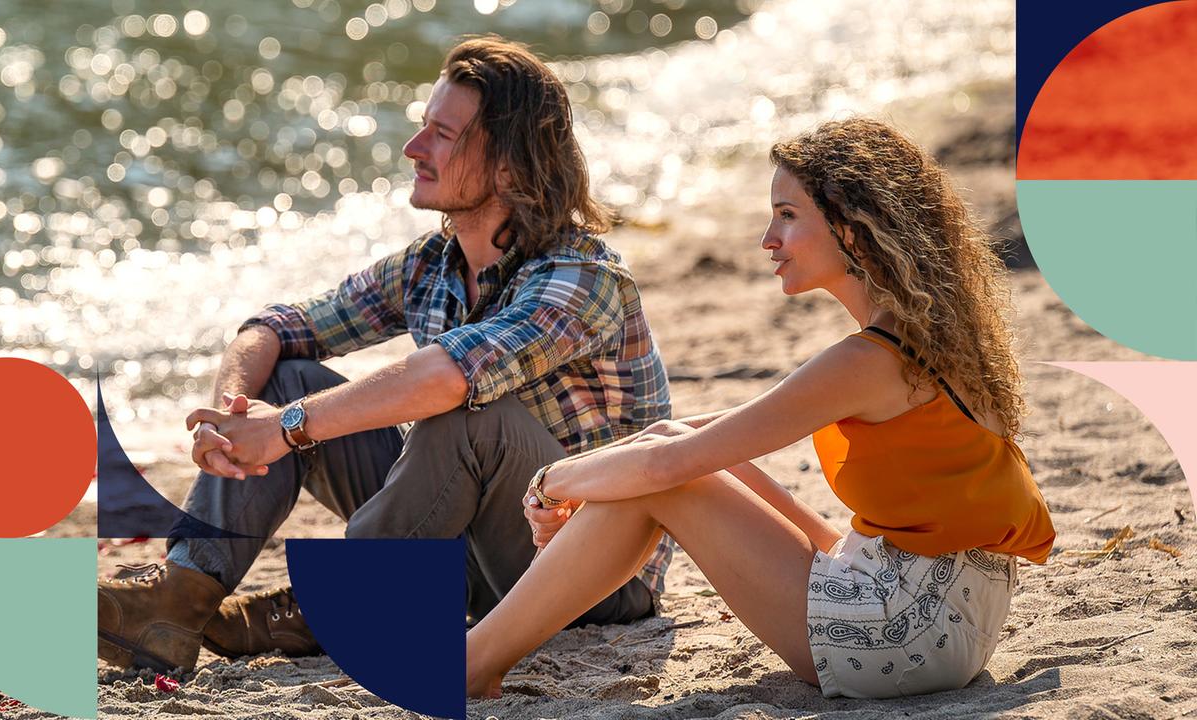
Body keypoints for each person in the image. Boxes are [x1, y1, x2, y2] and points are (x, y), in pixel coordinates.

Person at [96, 36, 673, 674]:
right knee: (289, 378)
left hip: (593, 574)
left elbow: (450, 375)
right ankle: (180, 598)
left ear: (508, 165)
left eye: (442, 134)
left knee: (468, 411)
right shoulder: (432, 264)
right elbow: (276, 327)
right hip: (470, 564)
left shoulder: (584, 278)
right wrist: (229, 418)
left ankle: (345, 599)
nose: (413, 148)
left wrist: (285, 429)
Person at [466, 118, 1056, 699]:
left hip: (906, 630)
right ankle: (487, 649)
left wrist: (554, 479)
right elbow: (697, 437)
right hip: (943, 604)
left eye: (788, 216)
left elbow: (670, 468)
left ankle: (474, 661)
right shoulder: (929, 336)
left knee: (671, 480)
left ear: (852, 230)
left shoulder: (871, 360)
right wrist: (598, 471)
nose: (767, 239)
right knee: (674, 445)